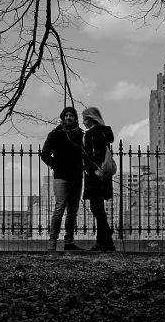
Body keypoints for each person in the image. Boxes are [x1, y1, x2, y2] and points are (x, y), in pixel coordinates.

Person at [40, 106, 85, 251]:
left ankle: (69, 241)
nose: (68, 118)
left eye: (71, 115)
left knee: (73, 210)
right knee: (59, 208)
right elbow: (45, 154)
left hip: (76, 177)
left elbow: (85, 154)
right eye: (66, 115)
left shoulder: (80, 135)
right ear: (63, 118)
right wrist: (56, 164)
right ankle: (52, 240)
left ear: (75, 118)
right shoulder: (55, 134)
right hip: (61, 177)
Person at [82, 106, 115, 252]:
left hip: (96, 176)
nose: (83, 122)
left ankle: (106, 240)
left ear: (92, 119)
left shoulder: (94, 133)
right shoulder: (103, 133)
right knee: (98, 209)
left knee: (97, 209)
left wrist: (90, 169)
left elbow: (96, 154)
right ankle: (102, 241)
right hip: (102, 175)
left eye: (85, 119)